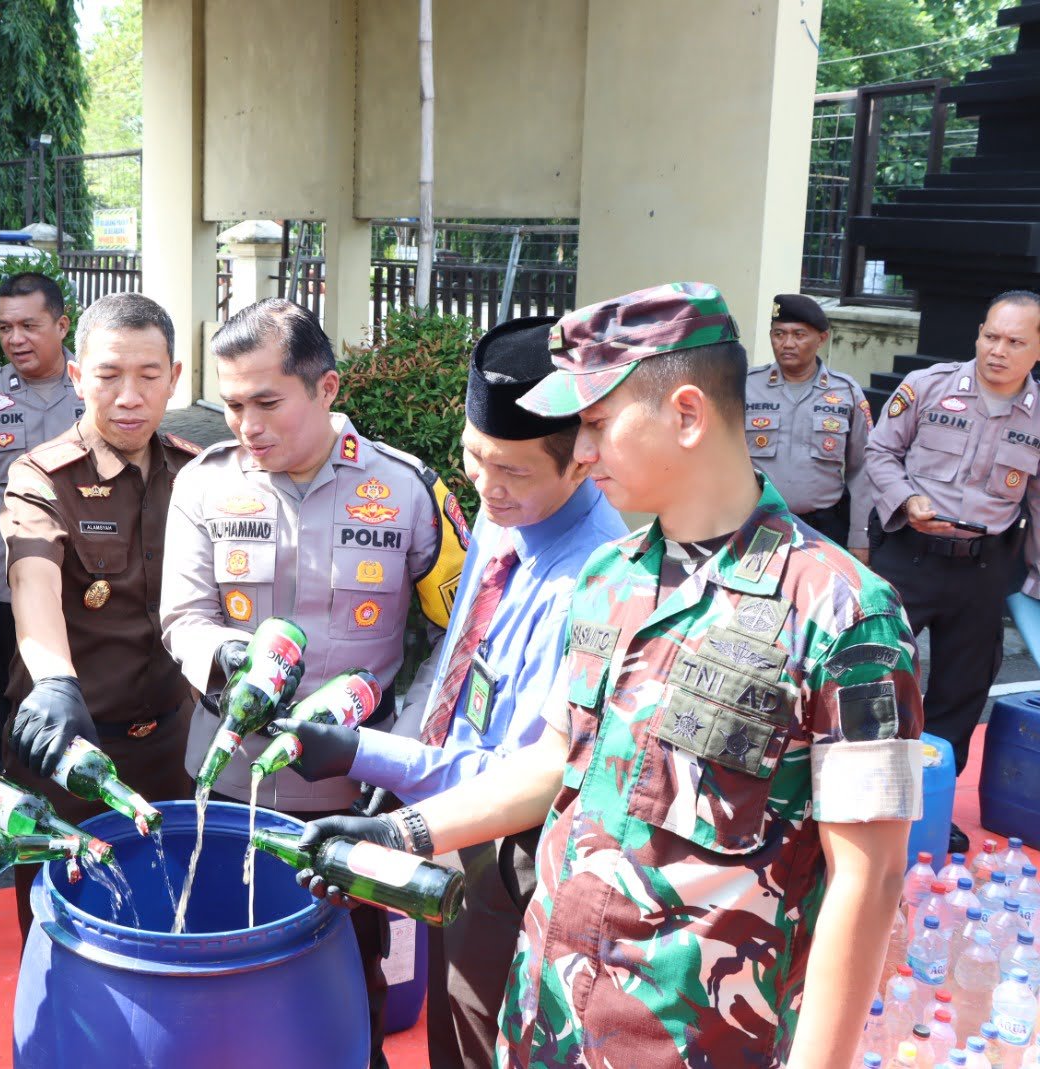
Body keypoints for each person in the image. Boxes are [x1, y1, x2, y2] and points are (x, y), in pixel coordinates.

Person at [294, 282, 924, 1068]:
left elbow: (870, 878)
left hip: (694, 1042)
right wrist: (399, 831)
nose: (580, 449)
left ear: (687, 414)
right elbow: (556, 759)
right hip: (548, 1017)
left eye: (594, 423)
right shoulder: (608, 579)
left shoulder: (846, 614)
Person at [281, 315, 626, 1069]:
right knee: (451, 1029)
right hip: (450, 818)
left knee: (488, 1038)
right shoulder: (506, 520)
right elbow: (458, 662)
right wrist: (403, 758)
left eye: (515, 471)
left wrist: (375, 758)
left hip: (518, 850)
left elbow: (525, 770)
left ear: (583, 462)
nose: (489, 489)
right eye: (475, 457)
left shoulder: (598, 581)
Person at [160, 297, 467, 1068]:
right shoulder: (203, 484)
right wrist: (222, 661)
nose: (247, 425)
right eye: (231, 405)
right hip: (228, 785)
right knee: (226, 983)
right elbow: (184, 616)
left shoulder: (407, 489)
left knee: (352, 985)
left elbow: (456, 642)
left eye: (267, 402)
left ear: (326, 389)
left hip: (354, 791)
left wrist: (393, 753)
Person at [1, 292, 201, 939]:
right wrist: (55, 680)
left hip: (173, 747)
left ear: (175, 377)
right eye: (110, 374)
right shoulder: (40, 476)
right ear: (78, 374)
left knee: (171, 920)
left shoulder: (199, 476)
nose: (129, 395)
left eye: (149, 375)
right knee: (62, 929)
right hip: (68, 751)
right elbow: (32, 578)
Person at [865, 289, 1040, 853]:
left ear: (1036, 349)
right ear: (978, 333)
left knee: (960, 694)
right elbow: (879, 453)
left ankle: (929, 805)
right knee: (875, 676)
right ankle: (860, 804)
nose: (998, 350)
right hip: (908, 556)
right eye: (991, 335)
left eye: (1015, 341)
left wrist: (1033, 581)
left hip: (983, 568)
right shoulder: (929, 386)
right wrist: (905, 500)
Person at [0, 272, 83, 725]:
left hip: (92, 577)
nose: (15, 339)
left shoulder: (95, 389)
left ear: (62, 326)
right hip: (12, 585)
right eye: (5, 328)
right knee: (22, 700)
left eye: (29, 326)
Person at [744, 292, 872, 559]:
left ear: (821, 338)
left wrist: (860, 536)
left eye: (799, 335)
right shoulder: (746, 387)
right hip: (758, 522)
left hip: (825, 528)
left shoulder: (846, 392)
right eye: (779, 334)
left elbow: (862, 470)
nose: (787, 343)